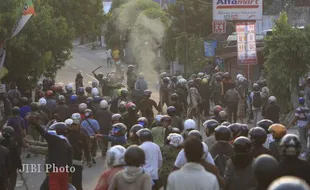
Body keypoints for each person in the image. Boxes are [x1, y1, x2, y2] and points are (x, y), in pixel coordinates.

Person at [26, 119, 73, 190]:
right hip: (64, 171)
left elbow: (43, 132)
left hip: (55, 171)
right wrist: (69, 174)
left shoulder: (54, 140)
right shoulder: (67, 143)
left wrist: (34, 123)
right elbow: (70, 161)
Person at [67, 113, 91, 190]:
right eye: (73, 124)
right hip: (66, 163)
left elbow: (86, 147)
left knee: (77, 184)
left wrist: (89, 160)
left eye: (76, 124)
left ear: (79, 124)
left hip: (77, 162)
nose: (74, 126)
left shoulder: (83, 134)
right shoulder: (65, 132)